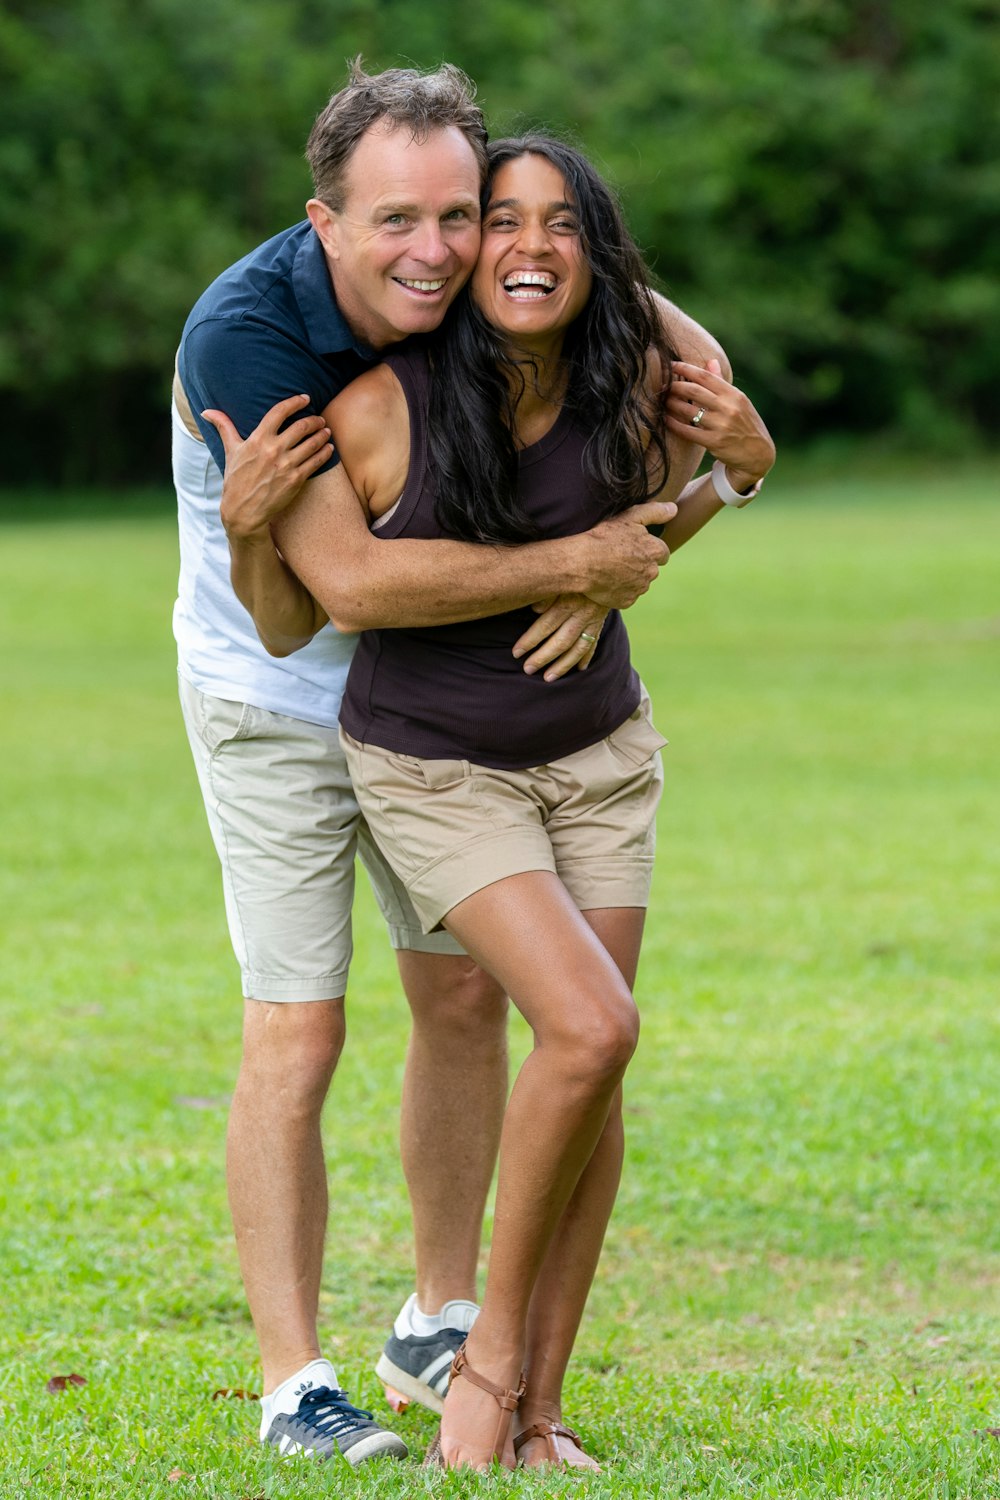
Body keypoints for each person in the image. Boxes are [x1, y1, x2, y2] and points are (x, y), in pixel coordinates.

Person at [174, 60, 729, 1466]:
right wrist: (582, 564)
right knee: (300, 1024)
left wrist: (655, 535)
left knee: (470, 997)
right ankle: (295, 1380)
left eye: (458, 213)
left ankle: (438, 1315)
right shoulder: (250, 339)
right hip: (280, 689)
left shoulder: (504, 269)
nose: (437, 251)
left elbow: (706, 388)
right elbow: (333, 591)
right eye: (396, 223)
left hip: (458, 699)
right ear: (324, 221)